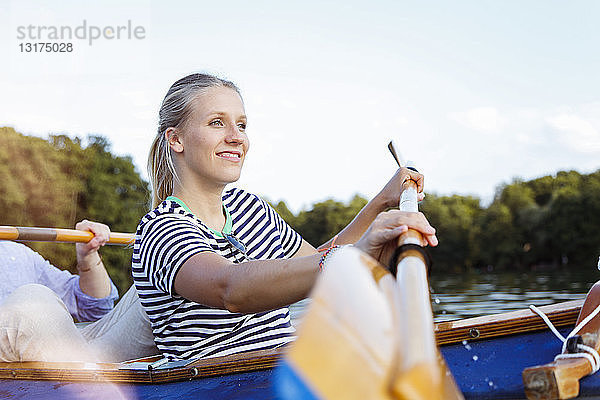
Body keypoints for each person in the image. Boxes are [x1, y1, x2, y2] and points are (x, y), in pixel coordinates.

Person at [132, 73, 438, 361]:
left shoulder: (250, 208)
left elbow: (316, 262)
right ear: (176, 139)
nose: (236, 137)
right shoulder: (161, 229)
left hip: (288, 374)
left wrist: (380, 203)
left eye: (241, 125)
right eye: (216, 123)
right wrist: (353, 255)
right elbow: (231, 289)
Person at [0, 220, 158, 362]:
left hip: (67, 354)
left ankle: (92, 373)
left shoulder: (15, 254)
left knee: (155, 283)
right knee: (31, 301)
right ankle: (91, 381)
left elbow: (95, 309)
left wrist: (88, 254)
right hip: (20, 368)